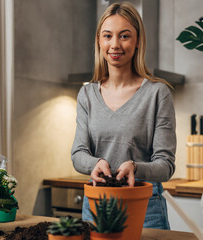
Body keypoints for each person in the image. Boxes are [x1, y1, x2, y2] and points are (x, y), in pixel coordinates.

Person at [71, 2, 176, 230]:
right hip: (97, 204)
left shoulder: (158, 93)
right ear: (99, 40)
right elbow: (78, 153)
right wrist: (95, 163)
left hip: (145, 207)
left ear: (137, 41)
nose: (115, 44)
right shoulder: (87, 94)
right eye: (108, 36)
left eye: (124, 36)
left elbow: (165, 165)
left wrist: (136, 168)